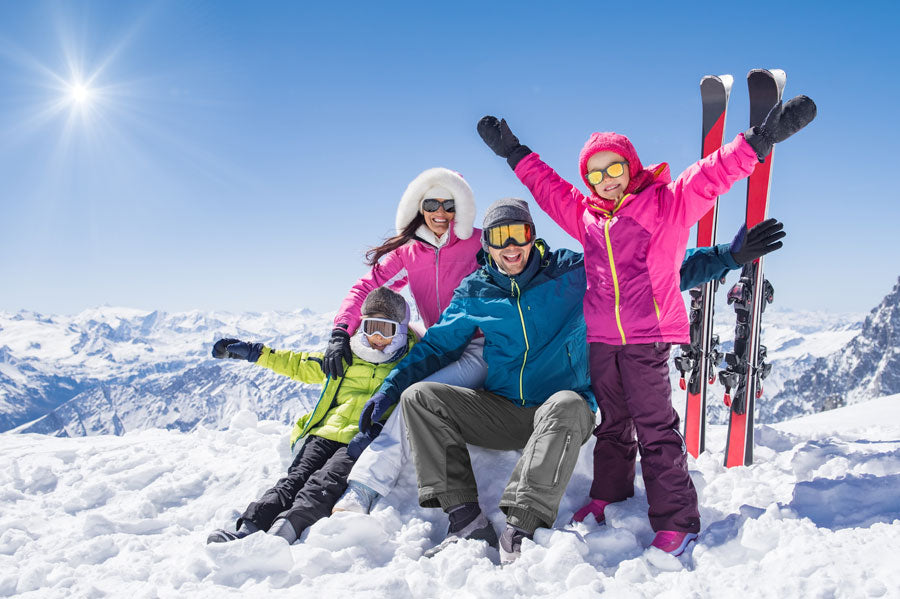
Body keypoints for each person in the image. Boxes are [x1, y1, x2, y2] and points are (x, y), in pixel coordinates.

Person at [477, 95, 815, 556]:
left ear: (630, 166)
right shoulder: (586, 216)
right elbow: (548, 188)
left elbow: (711, 174)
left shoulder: (666, 203)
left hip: (648, 338)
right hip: (602, 338)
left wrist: (759, 140)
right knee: (613, 424)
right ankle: (610, 494)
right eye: (595, 173)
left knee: (655, 429)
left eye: (614, 168)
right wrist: (514, 152)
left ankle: (678, 518)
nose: (606, 180)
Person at [325, 167, 489, 514]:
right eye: (432, 204)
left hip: (478, 346)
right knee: (394, 347)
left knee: (413, 397)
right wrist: (341, 330)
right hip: (438, 342)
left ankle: (365, 487)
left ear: (461, 207)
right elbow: (367, 287)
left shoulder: (479, 243)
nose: (440, 213)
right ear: (419, 206)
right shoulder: (410, 252)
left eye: (449, 204)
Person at [205, 287, 415, 545]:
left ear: (400, 330)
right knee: (293, 480)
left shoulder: (409, 363)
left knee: (323, 484)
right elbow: (298, 364)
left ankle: (282, 534)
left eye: (386, 329)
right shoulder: (347, 355)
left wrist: (378, 428)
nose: (377, 337)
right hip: (324, 434)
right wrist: (255, 352)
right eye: (371, 327)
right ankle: (248, 528)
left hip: (358, 440)